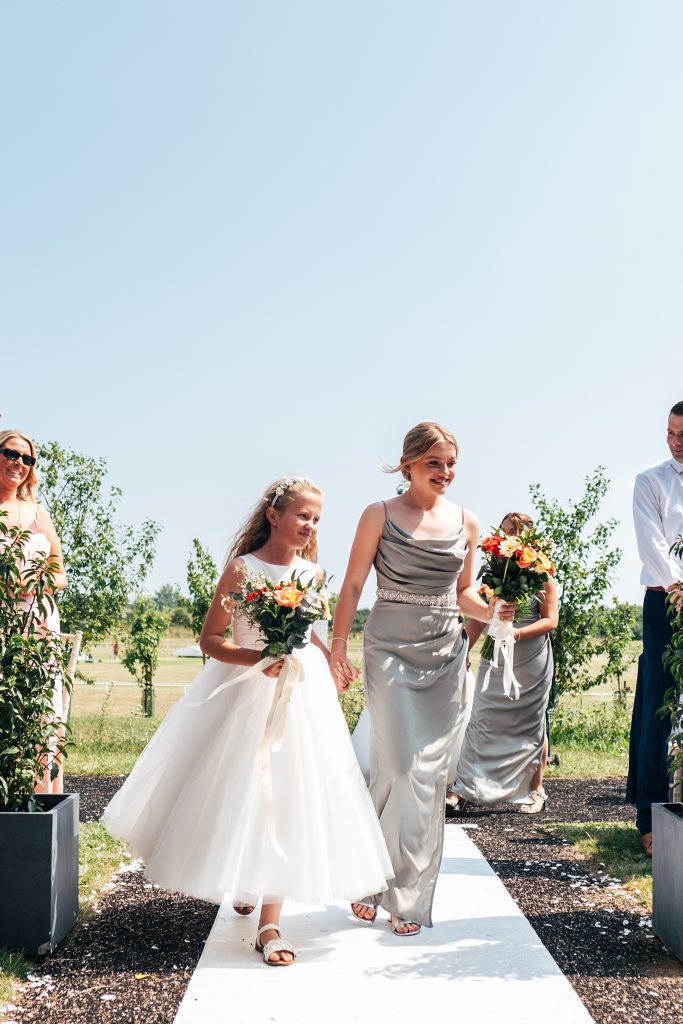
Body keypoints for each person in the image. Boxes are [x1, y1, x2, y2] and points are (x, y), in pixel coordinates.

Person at [102, 477, 393, 966]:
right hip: (244, 692)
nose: (311, 525)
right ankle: (244, 879)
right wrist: (257, 658)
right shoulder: (243, 569)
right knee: (241, 793)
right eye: (303, 515)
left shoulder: (314, 573)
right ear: (274, 515)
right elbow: (211, 639)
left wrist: (331, 659)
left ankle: (270, 922)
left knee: (290, 798)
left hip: (300, 697)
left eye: (317, 518)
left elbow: (309, 634)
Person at [331, 422, 515, 936]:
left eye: (451, 463)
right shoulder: (379, 514)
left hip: (444, 654)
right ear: (408, 463)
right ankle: (367, 877)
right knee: (396, 765)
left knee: (428, 776)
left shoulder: (467, 522)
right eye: (435, 462)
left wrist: (493, 610)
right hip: (389, 647)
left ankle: (405, 896)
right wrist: (338, 647)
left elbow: (463, 594)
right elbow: (352, 585)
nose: (445, 472)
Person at [450, 512, 558, 814]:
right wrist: (465, 650)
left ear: (526, 537)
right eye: (504, 530)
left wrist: (517, 633)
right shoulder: (493, 574)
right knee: (481, 717)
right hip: (495, 655)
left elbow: (551, 620)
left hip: (531, 658)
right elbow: (479, 618)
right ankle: (463, 788)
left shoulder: (543, 574)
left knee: (531, 723)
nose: (506, 536)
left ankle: (535, 790)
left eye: (512, 531)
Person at [627, 401, 683, 858]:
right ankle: (649, 817)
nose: (675, 442)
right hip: (665, 602)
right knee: (658, 708)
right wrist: (679, 590)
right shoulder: (650, 481)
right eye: (670, 433)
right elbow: (653, 545)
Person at [0, 429, 67, 794]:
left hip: (39, 621)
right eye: (11, 454)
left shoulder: (39, 513)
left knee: (41, 708)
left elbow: (60, 574)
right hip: (3, 621)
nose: (19, 463)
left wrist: (33, 586)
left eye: (27, 459)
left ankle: (38, 796)